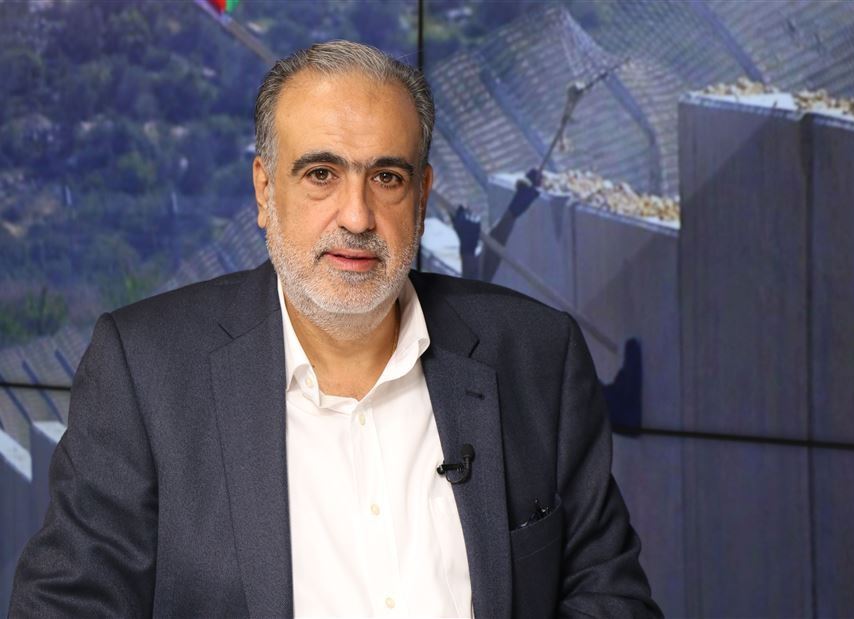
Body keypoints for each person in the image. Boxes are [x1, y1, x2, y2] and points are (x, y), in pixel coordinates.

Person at [10, 41, 661, 618]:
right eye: (321, 174)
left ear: (422, 196)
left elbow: (609, 598)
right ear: (265, 190)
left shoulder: (539, 356)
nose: (357, 215)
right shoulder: (145, 371)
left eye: (387, 177)